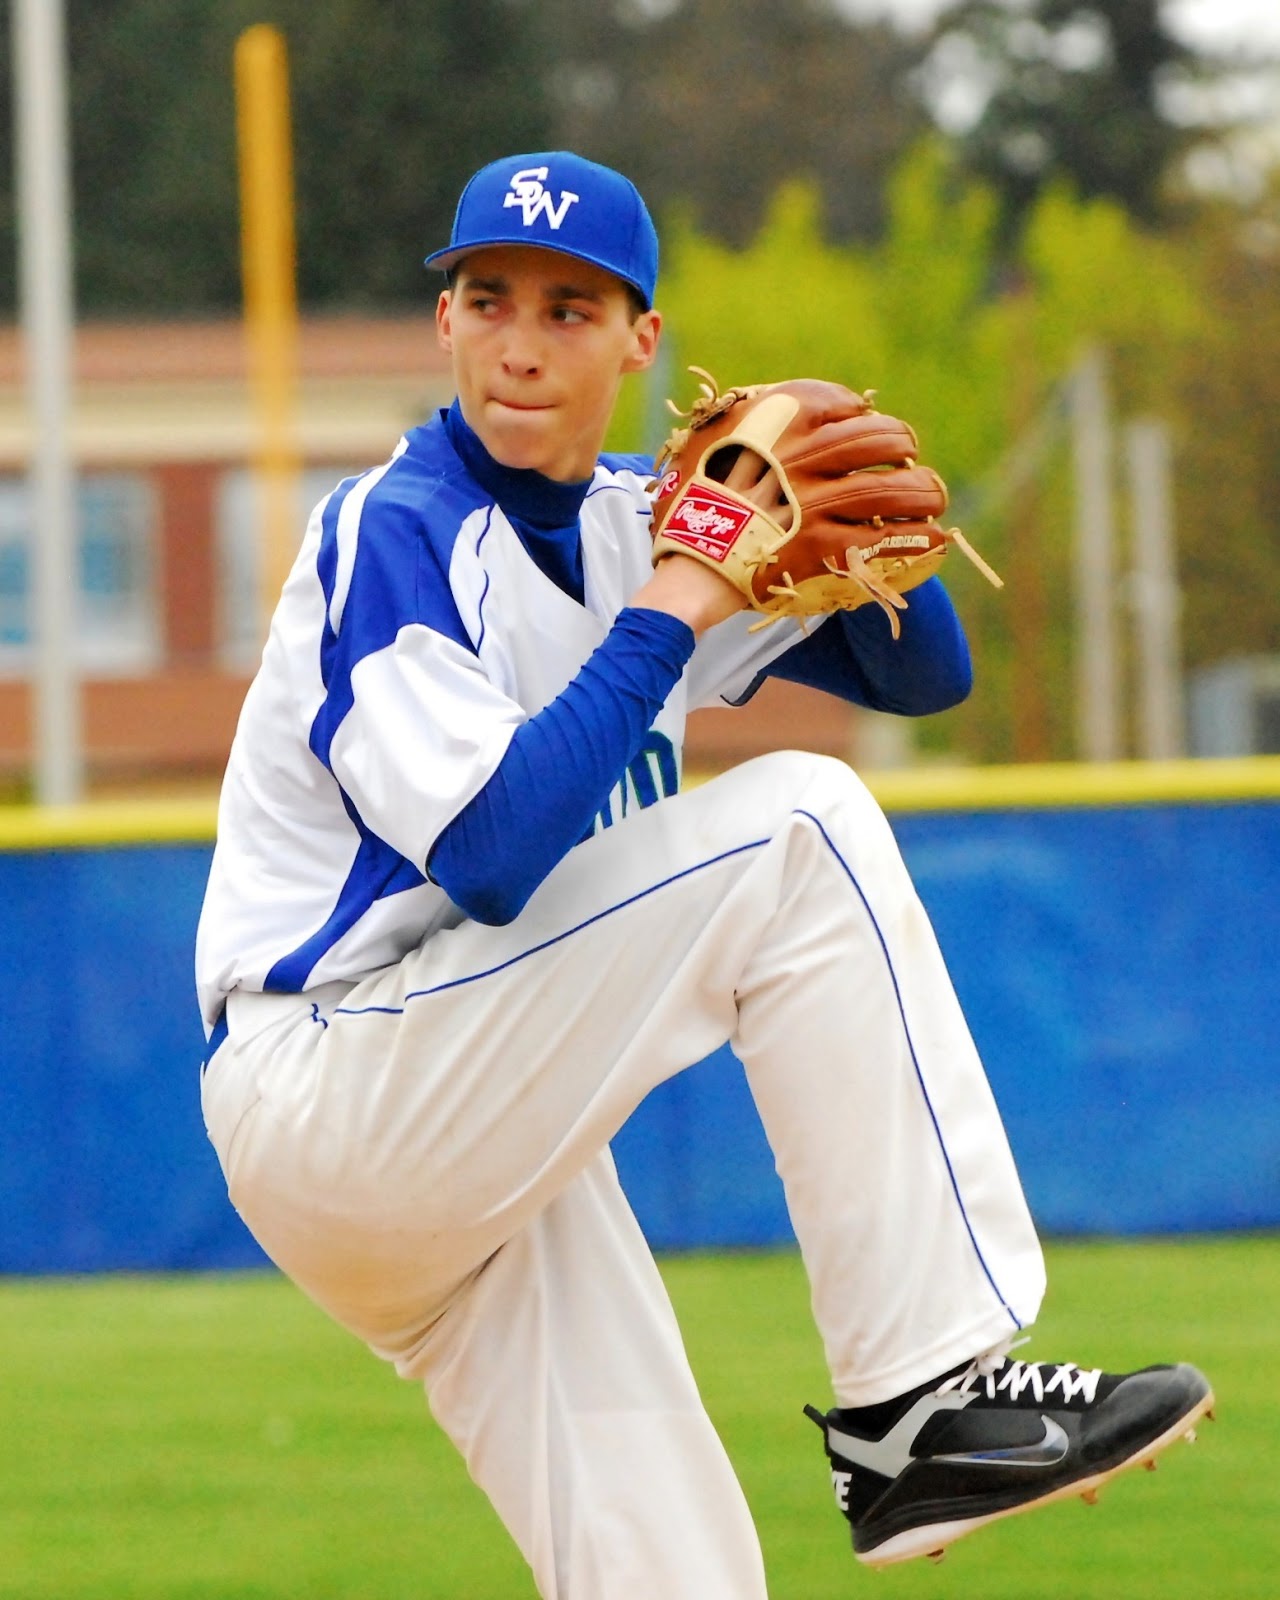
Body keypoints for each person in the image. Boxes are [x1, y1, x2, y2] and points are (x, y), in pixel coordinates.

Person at [195, 151, 1212, 1597]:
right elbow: (490, 856)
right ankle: (926, 1403)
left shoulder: (641, 518)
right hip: (338, 1082)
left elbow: (924, 675)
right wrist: (693, 583)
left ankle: (915, 1426)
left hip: (493, 1156)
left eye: (569, 306)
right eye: (487, 299)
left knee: (675, 1577)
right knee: (798, 829)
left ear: (640, 339)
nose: (522, 340)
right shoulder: (396, 533)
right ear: (445, 323)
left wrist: (859, 510)